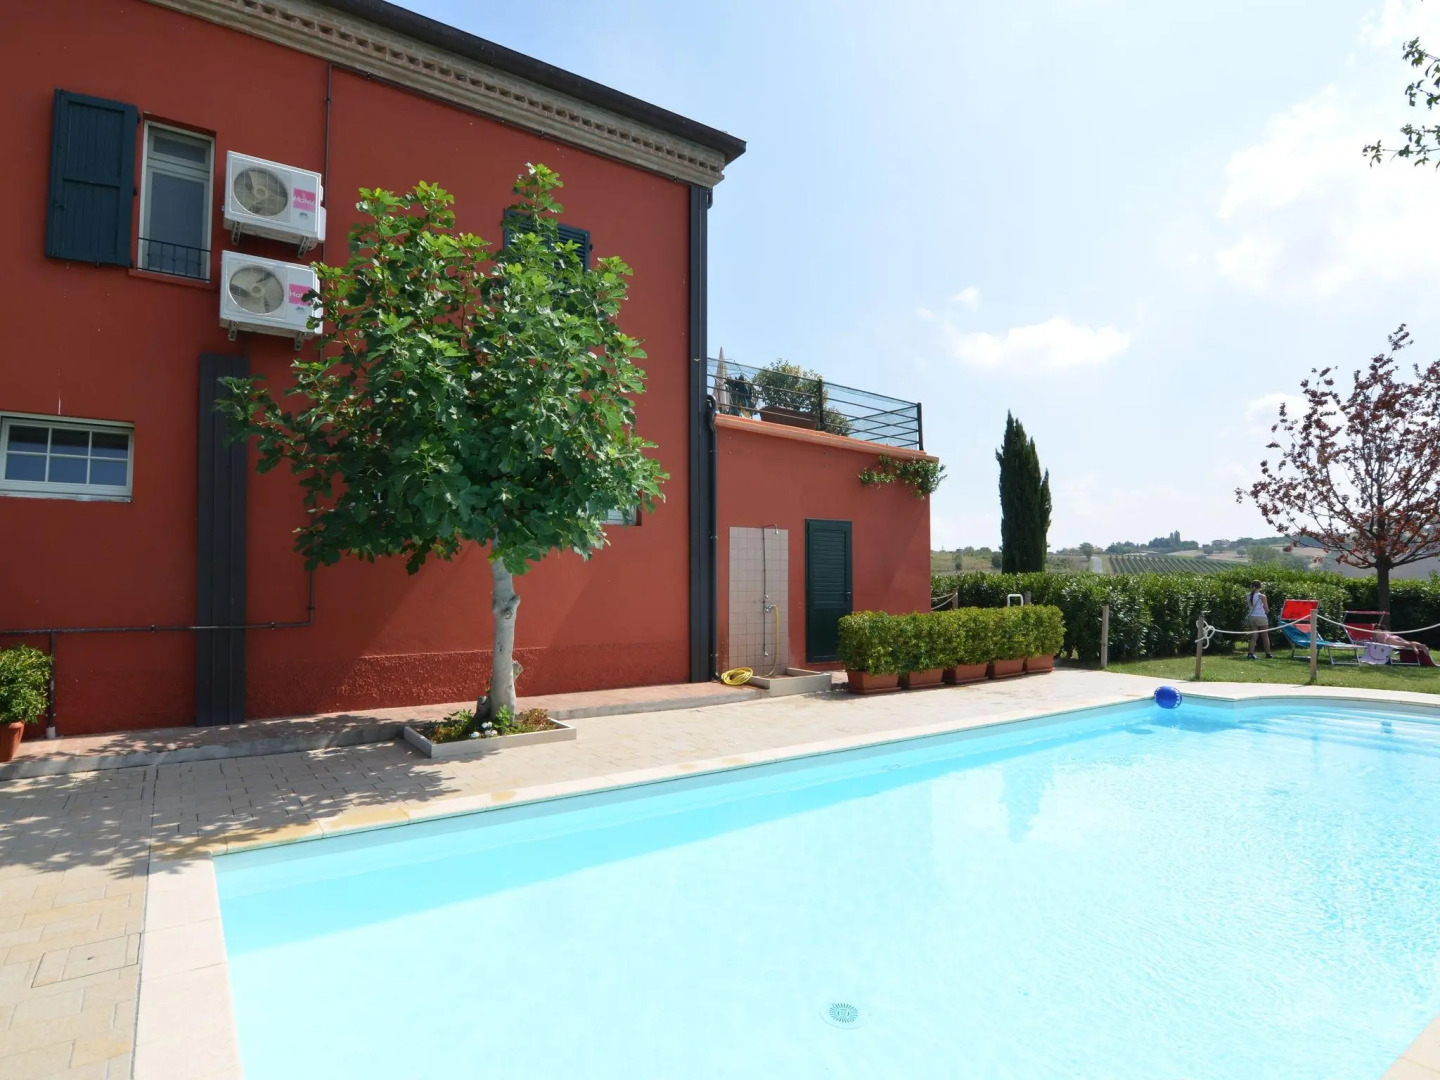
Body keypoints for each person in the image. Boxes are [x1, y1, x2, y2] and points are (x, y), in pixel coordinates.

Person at [1244, 581, 1272, 660]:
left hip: (1252, 617)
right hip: (1261, 617)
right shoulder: (1262, 596)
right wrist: (1267, 613)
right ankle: (1268, 653)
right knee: (1265, 636)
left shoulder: (1248, 596)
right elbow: (1266, 609)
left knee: (1254, 636)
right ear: (1260, 587)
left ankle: (1250, 653)